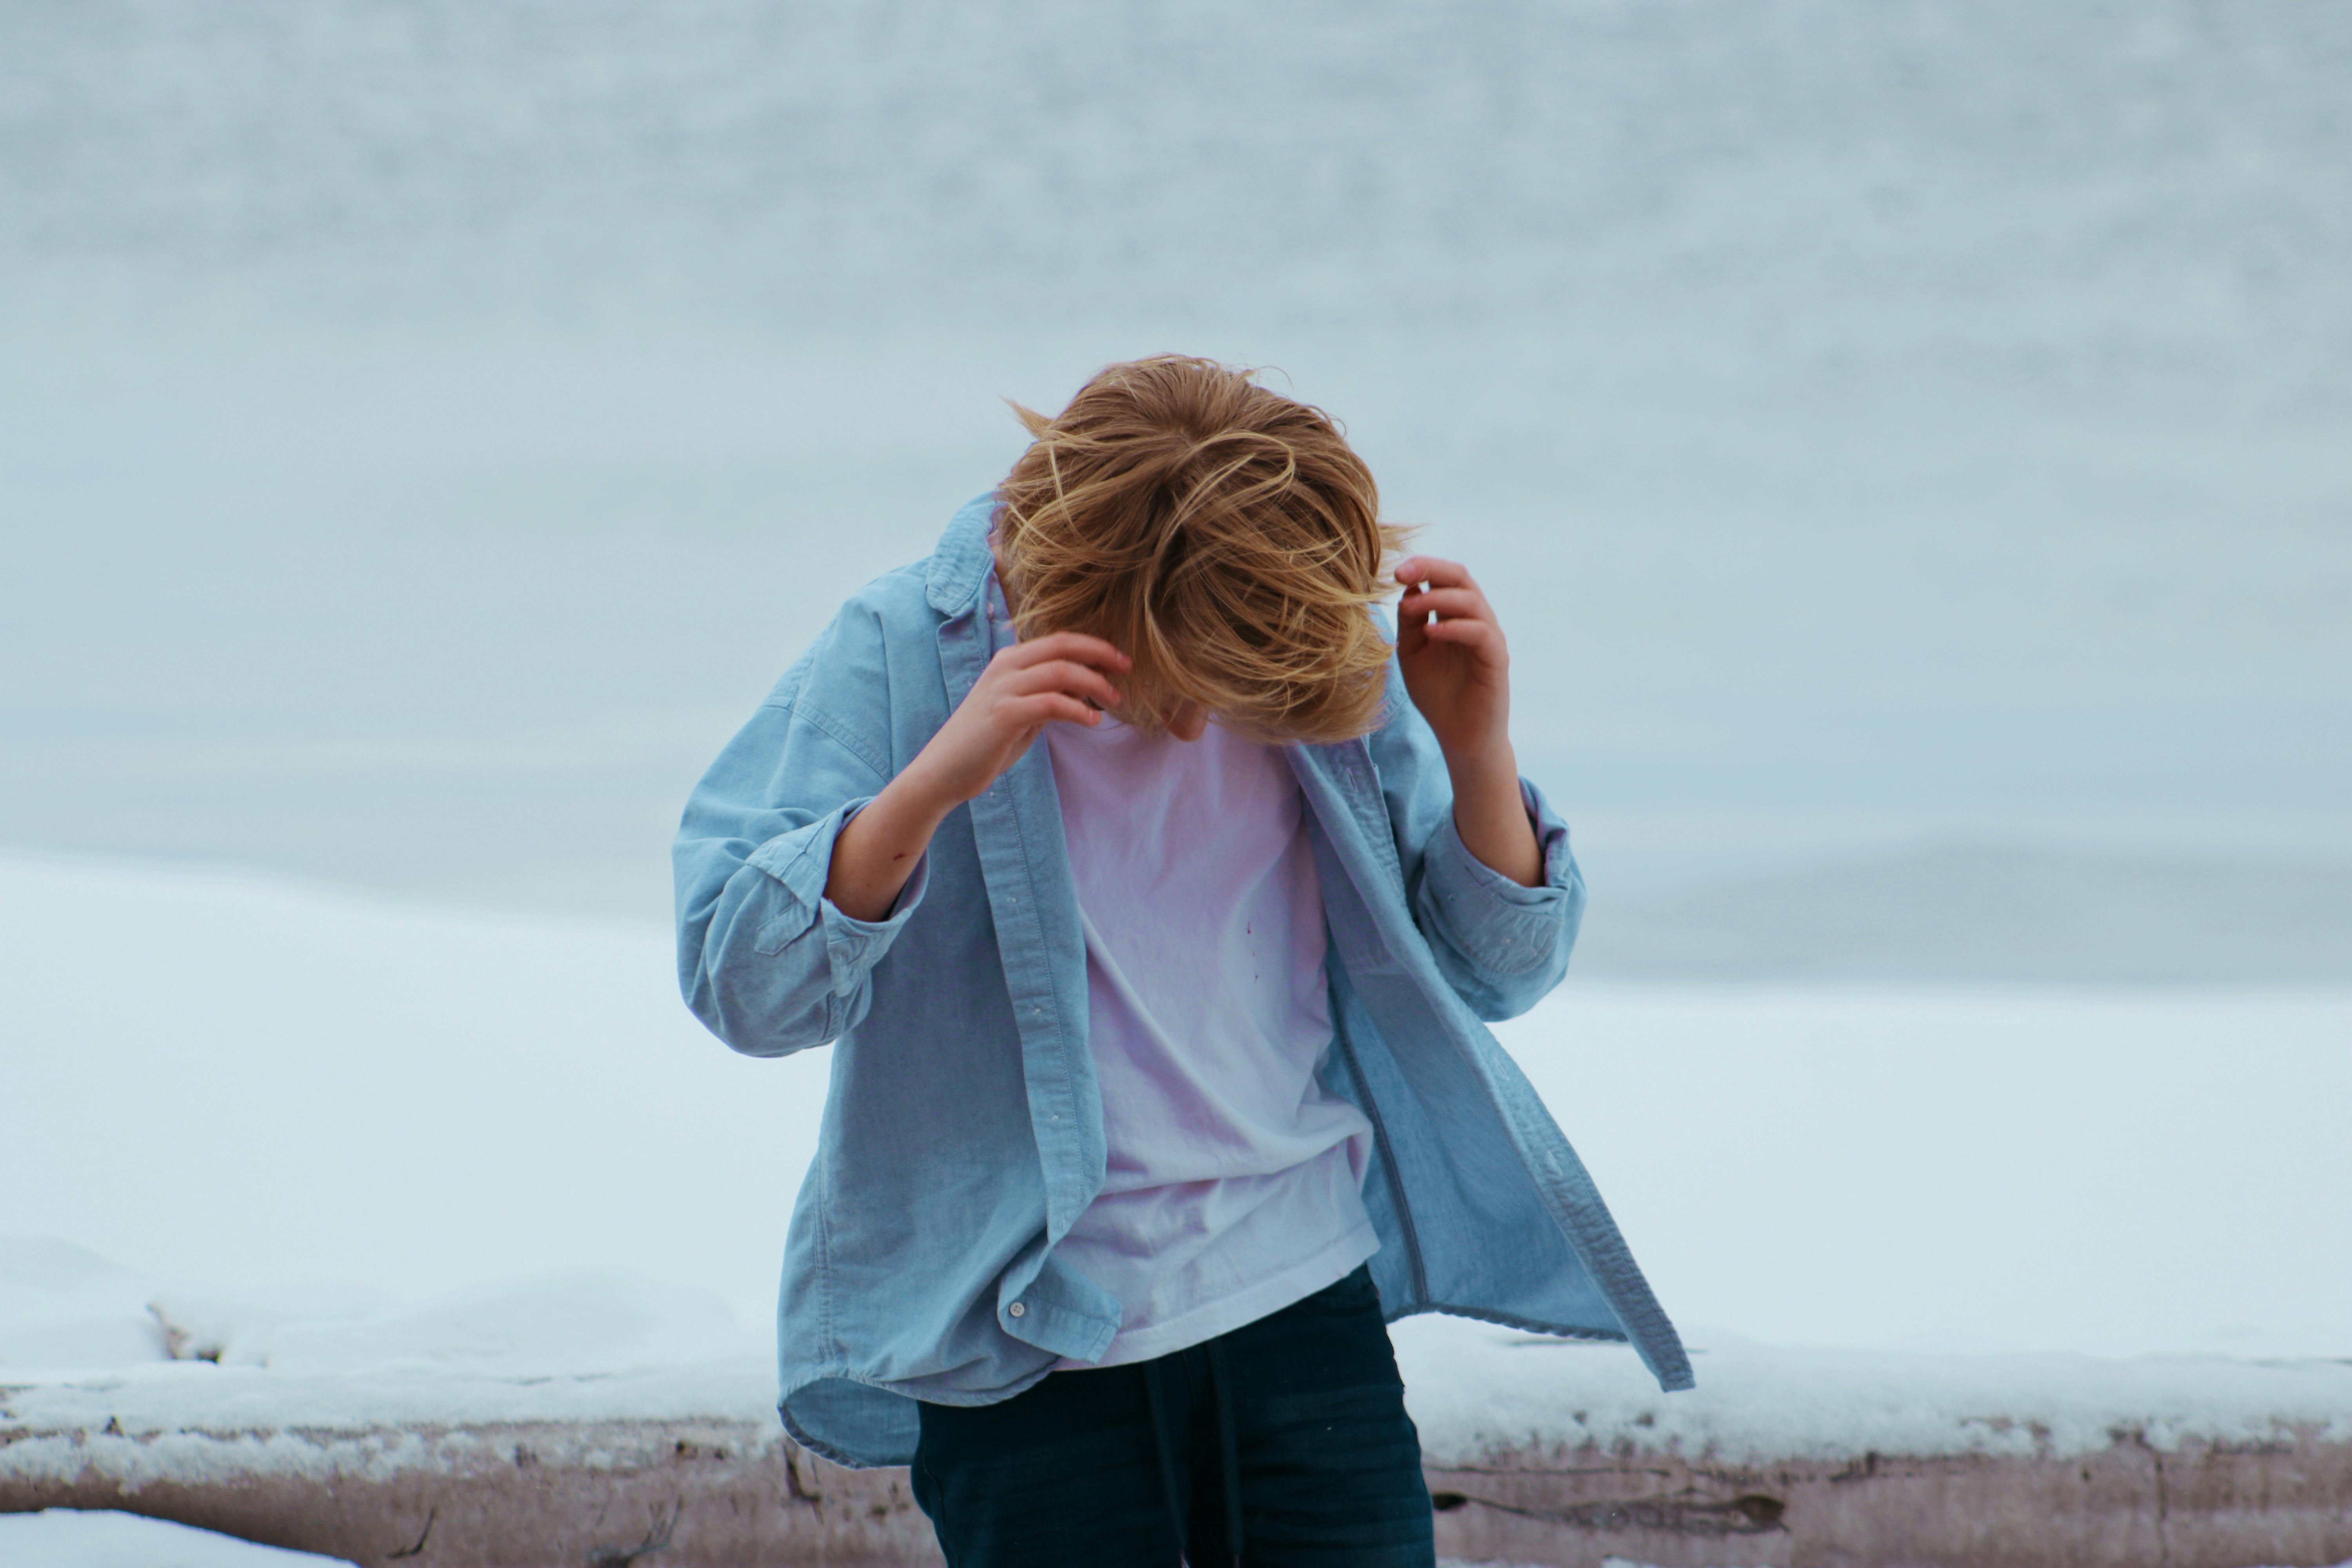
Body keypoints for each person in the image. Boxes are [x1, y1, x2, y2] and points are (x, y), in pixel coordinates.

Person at [673, 356, 1689, 1567]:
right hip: (1029, 1346)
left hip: (1305, 1306)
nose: (1210, 726)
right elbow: (742, 985)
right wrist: (937, 783)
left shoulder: (1288, 632)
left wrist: (1477, 747)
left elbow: (1497, 974)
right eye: (1187, 679)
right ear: (1096, 588)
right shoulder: (901, 647)